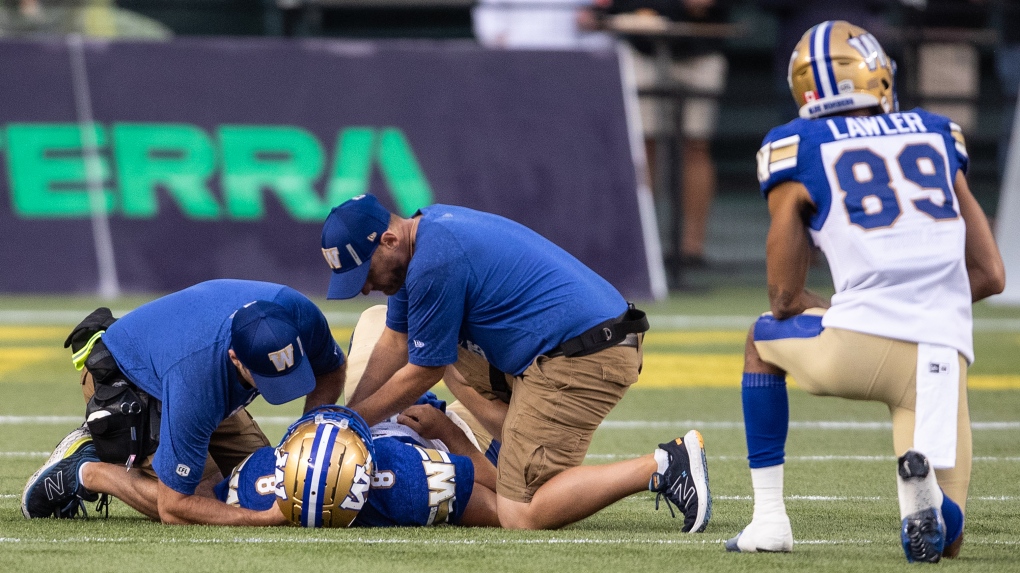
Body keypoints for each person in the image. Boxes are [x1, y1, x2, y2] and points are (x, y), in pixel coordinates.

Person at [726, 21, 1005, 561]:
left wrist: (855, 308)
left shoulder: (796, 145)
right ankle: (924, 499)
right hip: (940, 356)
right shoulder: (936, 132)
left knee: (761, 341)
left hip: (855, 346)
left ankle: (768, 521)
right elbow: (992, 275)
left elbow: (783, 297)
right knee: (951, 542)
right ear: (878, 75)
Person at [318, 193, 712, 532]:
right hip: (555, 346)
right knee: (435, 350)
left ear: (388, 240)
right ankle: (519, 441)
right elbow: (396, 341)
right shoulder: (420, 239)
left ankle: (664, 464)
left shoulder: (433, 263)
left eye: (364, 273)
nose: (365, 287)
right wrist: (349, 414)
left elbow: (425, 371)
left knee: (520, 512)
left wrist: (351, 423)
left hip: (582, 357)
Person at [21, 279, 347, 526]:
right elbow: (174, 506)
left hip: (188, 367)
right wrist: (263, 519)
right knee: (212, 500)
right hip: (129, 382)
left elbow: (332, 369)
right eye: (265, 379)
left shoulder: (300, 313)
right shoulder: (198, 380)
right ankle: (86, 470)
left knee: (262, 480)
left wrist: (308, 436)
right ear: (236, 359)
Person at [215, 401, 501, 527]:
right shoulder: (410, 482)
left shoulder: (258, 484)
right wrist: (448, 431)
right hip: (437, 435)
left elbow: (194, 502)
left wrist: (265, 518)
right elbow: (505, 504)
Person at [604, 0, 731, 269]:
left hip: (700, 45)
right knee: (643, 144)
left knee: (696, 144)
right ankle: (642, 245)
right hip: (644, 48)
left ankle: (691, 249)